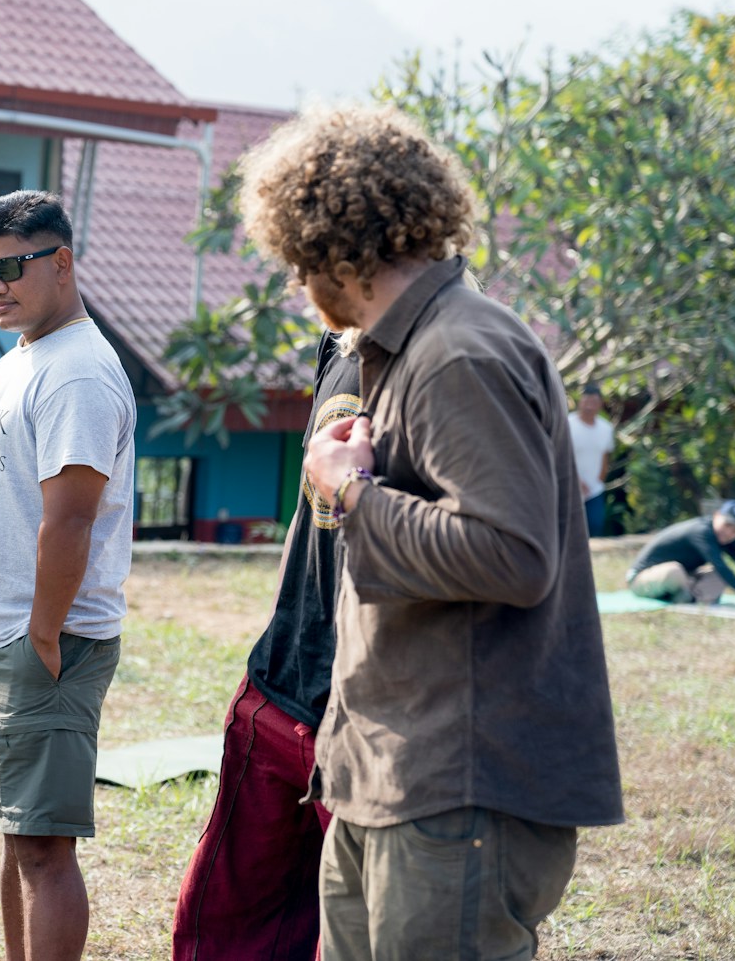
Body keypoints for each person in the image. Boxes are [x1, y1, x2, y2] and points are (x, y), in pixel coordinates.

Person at [238, 107, 623, 961]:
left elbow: (513, 554)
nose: (301, 292)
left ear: (331, 252)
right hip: (387, 769)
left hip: (457, 785)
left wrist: (353, 493)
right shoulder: (403, 353)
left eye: (297, 268)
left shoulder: (459, 354)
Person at [0, 190, 136, 961]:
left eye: (12, 266)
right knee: (16, 836)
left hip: (42, 645)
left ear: (61, 262)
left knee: (43, 850)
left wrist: (43, 632)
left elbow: (71, 519)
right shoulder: (23, 358)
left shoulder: (80, 374)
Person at [171, 328, 359, 961]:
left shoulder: (446, 357)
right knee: (223, 924)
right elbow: (310, 518)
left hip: (366, 709)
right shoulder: (339, 343)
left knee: (363, 930)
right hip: (281, 679)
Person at [625, 500, 735, 604]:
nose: (729, 532)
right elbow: (720, 566)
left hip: (684, 579)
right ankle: (690, 597)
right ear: (716, 515)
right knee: (674, 571)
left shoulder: (724, 538)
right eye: (727, 525)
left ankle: (688, 597)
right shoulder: (701, 531)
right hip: (641, 579)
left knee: (718, 577)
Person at [568, 383, 614, 536]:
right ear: (579, 402)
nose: (589, 406)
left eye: (594, 402)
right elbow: (561, 456)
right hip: (570, 487)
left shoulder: (606, 428)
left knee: (595, 526)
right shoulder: (568, 424)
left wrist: (600, 479)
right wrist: (577, 481)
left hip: (595, 489)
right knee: (571, 530)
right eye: (586, 401)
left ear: (600, 404)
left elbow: (605, 455)